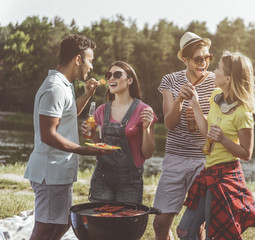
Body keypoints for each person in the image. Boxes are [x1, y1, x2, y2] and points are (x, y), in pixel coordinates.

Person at [24, 34, 111, 240]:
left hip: (59, 170)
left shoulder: (65, 84)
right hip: (50, 171)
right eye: (90, 60)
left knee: (62, 224)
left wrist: (87, 94)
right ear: (78, 59)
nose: (91, 67)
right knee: (45, 228)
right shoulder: (55, 88)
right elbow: (48, 134)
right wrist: (85, 150)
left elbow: (68, 114)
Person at [176, 51, 255, 239]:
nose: (214, 71)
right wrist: (195, 105)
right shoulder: (216, 96)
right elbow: (206, 133)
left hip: (225, 177)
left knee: (214, 235)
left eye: (218, 68)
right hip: (208, 172)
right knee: (184, 230)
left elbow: (246, 153)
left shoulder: (243, 113)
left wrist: (224, 140)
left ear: (228, 77)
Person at [153, 32, 216, 240]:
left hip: (203, 160)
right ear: (185, 59)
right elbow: (169, 124)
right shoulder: (170, 80)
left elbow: (222, 121)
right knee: (160, 222)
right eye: (199, 59)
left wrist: (201, 114)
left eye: (207, 58)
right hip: (175, 158)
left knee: (196, 226)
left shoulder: (217, 82)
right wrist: (179, 99)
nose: (204, 63)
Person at [81, 61, 158, 203]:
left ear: (130, 80)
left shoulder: (144, 110)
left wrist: (146, 128)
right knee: (100, 221)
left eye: (117, 75)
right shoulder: (101, 110)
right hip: (102, 176)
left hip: (130, 180)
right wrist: (92, 137)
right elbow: (101, 146)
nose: (111, 78)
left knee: (125, 223)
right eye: (109, 75)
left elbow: (148, 153)